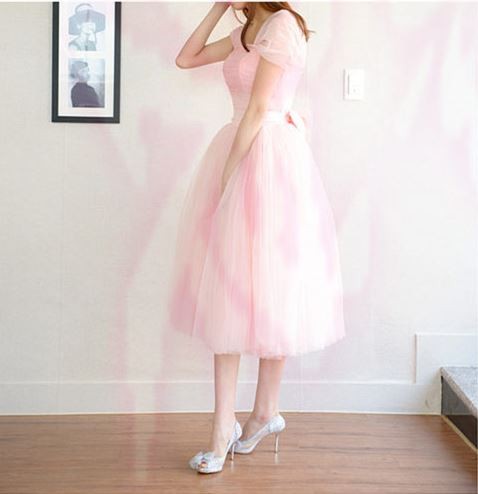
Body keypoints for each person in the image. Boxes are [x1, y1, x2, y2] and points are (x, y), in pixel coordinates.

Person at [169, 1, 346, 474]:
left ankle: (264, 412)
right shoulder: (246, 30)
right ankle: (224, 425)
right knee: (228, 288)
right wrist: (217, 8)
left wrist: (229, 173)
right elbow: (186, 58)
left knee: (274, 285)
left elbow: (259, 107)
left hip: (269, 159)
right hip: (241, 143)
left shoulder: (284, 25)